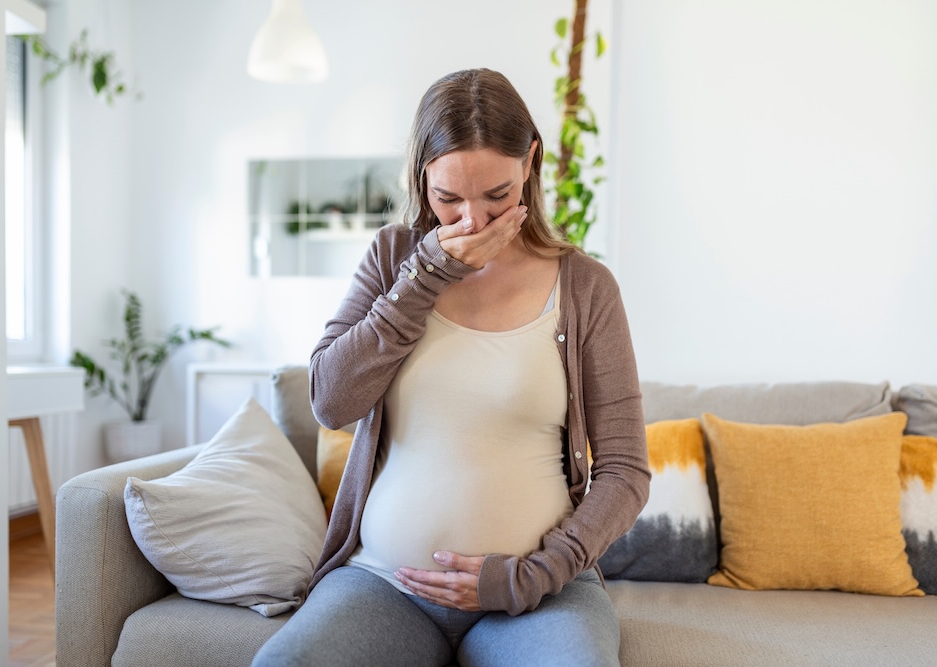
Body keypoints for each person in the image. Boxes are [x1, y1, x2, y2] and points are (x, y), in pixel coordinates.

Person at [252, 68, 650, 667]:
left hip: (539, 596)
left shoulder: (586, 287)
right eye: (448, 200)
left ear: (531, 162)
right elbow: (330, 403)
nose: (473, 222)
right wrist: (427, 275)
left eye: (496, 195)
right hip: (384, 584)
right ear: (422, 178)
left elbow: (625, 471)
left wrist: (532, 576)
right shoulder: (392, 258)